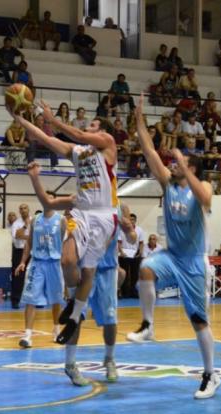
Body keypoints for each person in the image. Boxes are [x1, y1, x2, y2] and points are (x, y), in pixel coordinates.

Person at [127, 93, 221, 400]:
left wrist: (185, 164)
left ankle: (210, 374)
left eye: (180, 163)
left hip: (194, 261)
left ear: (191, 167)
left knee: (199, 321)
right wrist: (139, 120)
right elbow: (148, 149)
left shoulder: (202, 186)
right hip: (172, 255)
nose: (173, 164)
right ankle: (148, 325)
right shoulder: (167, 183)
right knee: (146, 268)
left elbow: (205, 198)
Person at [9, 98, 118, 347]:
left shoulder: (108, 143)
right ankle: (74, 302)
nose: (89, 127)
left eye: (94, 125)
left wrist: (53, 120)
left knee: (88, 270)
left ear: (103, 131)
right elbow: (46, 139)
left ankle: (76, 315)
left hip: (103, 214)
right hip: (81, 211)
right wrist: (19, 118)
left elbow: (78, 134)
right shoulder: (77, 152)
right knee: (67, 261)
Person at [26, 162, 136, 384]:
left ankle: (109, 359)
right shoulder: (78, 201)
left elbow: (131, 238)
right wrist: (35, 178)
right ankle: (70, 364)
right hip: (83, 270)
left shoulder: (118, 206)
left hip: (106, 269)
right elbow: (49, 203)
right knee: (77, 317)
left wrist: (130, 232)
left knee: (110, 320)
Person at [15, 193, 65, 347]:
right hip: (37, 263)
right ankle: (27, 335)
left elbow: (65, 244)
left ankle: (56, 329)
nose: (46, 200)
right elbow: (29, 242)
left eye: (50, 198)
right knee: (30, 299)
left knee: (56, 300)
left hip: (55, 263)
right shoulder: (35, 220)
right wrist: (22, 262)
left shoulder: (61, 220)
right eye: (44, 198)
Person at [118, 213, 145, 298]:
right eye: (130, 219)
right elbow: (119, 242)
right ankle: (124, 292)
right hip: (124, 254)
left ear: (135, 221)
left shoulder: (140, 230)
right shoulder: (122, 229)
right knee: (124, 274)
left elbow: (141, 243)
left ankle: (134, 292)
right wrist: (121, 252)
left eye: (133, 219)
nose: (131, 221)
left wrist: (140, 252)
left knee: (135, 274)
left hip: (135, 254)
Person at [10, 203, 31, 308]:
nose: (23, 210)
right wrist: (25, 226)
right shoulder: (16, 223)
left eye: (25, 208)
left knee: (36, 275)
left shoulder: (35, 221)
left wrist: (24, 236)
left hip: (32, 251)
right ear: (19, 211)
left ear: (28, 209)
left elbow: (36, 236)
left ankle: (36, 300)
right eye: (21, 208)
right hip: (19, 251)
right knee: (18, 276)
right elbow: (17, 236)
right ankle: (15, 300)